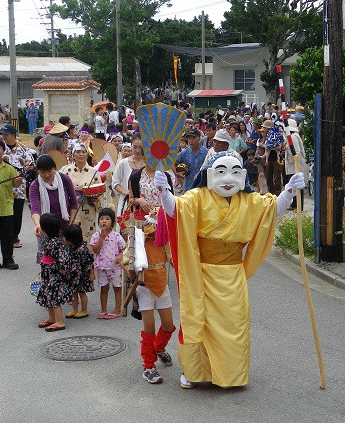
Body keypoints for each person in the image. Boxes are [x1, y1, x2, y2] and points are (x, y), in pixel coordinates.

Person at [154, 152, 304, 388]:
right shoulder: (198, 197)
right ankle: (194, 372)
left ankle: (231, 375)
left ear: (243, 176)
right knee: (198, 321)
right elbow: (176, 211)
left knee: (234, 327)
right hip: (201, 274)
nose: (228, 179)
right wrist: (165, 192)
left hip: (232, 275)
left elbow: (271, 211)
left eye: (235, 172)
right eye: (221, 172)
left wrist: (289, 192)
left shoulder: (249, 200)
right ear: (209, 174)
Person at [128, 164, 176, 384]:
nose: (152, 226)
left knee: (169, 326)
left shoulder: (164, 238)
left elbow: (175, 259)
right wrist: (130, 269)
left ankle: (158, 347)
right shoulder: (134, 239)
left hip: (162, 283)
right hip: (145, 286)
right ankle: (148, 365)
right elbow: (124, 261)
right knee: (149, 327)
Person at [29, 154, 78, 263]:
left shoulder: (65, 179)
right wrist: (38, 224)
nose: (46, 175)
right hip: (46, 229)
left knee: (66, 260)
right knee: (48, 262)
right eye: (42, 172)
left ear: (54, 168)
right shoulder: (35, 185)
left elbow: (74, 203)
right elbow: (35, 208)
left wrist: (71, 223)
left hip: (64, 226)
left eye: (49, 171)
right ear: (38, 172)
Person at [60, 143, 102, 249]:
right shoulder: (66, 170)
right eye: (78, 152)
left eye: (84, 152)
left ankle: (88, 257)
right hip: (71, 205)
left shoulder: (94, 172)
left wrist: (94, 195)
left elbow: (99, 189)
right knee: (71, 230)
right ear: (73, 155)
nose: (81, 154)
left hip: (88, 205)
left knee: (87, 231)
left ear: (87, 155)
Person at [1, 124, 35, 249]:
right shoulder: (0, 148)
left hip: (19, 188)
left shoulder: (23, 148)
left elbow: (31, 162)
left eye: (6, 134)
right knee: (5, 214)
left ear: (13, 135)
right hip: (4, 187)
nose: (4, 137)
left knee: (17, 213)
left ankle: (15, 236)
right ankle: (7, 236)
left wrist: (28, 167)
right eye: (3, 134)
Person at [36, 213, 72, 332]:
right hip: (47, 274)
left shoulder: (55, 243)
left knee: (54, 297)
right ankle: (52, 318)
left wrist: (59, 271)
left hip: (54, 275)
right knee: (48, 296)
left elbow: (60, 260)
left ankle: (60, 321)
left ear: (45, 230)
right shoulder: (51, 240)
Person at [90, 208, 125, 319]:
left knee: (117, 288)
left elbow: (123, 249)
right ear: (98, 221)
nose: (104, 221)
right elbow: (95, 250)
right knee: (104, 289)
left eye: (107, 219)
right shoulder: (96, 236)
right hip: (102, 267)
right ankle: (103, 310)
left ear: (113, 222)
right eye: (101, 219)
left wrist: (120, 256)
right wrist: (101, 238)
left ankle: (118, 309)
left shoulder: (116, 236)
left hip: (114, 267)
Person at [0, 138, 22, 269]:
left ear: (3, 151)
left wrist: (18, 181)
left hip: (6, 206)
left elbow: (16, 184)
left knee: (7, 235)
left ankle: (8, 259)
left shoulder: (10, 168)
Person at [63, 224, 95, 319]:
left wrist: (91, 273)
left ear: (70, 239)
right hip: (72, 275)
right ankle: (75, 309)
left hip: (82, 276)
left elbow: (89, 262)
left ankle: (84, 310)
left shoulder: (82, 250)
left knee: (82, 293)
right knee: (73, 292)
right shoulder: (69, 247)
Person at [112, 134, 147, 215]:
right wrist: (126, 192)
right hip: (127, 202)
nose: (137, 150)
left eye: (141, 147)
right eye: (135, 147)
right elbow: (115, 182)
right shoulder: (124, 163)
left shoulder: (149, 163)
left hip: (145, 203)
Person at [284, 119, 308, 210]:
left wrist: (297, 164)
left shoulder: (293, 137)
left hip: (296, 164)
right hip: (293, 164)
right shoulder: (291, 136)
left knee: (297, 185)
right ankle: (295, 204)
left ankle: (298, 205)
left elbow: (296, 151)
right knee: (294, 184)